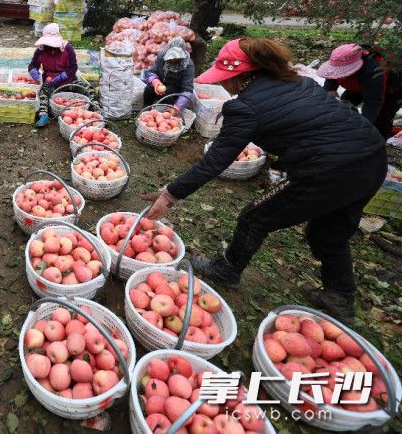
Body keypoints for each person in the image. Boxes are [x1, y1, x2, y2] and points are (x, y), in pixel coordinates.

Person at [143, 38, 387, 323]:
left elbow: (215, 161)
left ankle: (227, 269)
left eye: (225, 79)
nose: (223, 85)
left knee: (254, 217)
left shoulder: (245, 108)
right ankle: (340, 298)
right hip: (371, 158)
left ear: (240, 77)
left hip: (329, 169)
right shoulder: (300, 83)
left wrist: (171, 194)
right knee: (329, 234)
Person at [318, 43, 402, 138]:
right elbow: (331, 76)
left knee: (380, 122)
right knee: (343, 108)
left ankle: (377, 146)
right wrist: (330, 89)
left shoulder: (373, 72)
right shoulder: (339, 60)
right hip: (359, 86)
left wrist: (362, 128)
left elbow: (373, 104)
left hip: (391, 90)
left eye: (342, 71)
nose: (339, 74)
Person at [28, 23, 89, 128]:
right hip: (50, 82)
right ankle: (43, 115)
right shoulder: (40, 50)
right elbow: (33, 64)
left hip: (68, 80)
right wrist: (33, 70)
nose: (51, 48)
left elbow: (73, 67)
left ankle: (95, 109)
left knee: (87, 88)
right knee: (42, 93)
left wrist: (62, 76)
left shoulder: (67, 49)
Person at [142, 36, 195, 113]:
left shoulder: (188, 65)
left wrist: (177, 107)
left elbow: (187, 90)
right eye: (171, 57)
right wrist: (155, 81)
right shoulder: (162, 57)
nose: (173, 59)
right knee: (148, 89)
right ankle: (146, 109)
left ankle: (166, 112)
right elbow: (151, 72)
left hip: (175, 91)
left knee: (168, 99)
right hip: (160, 85)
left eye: (177, 57)